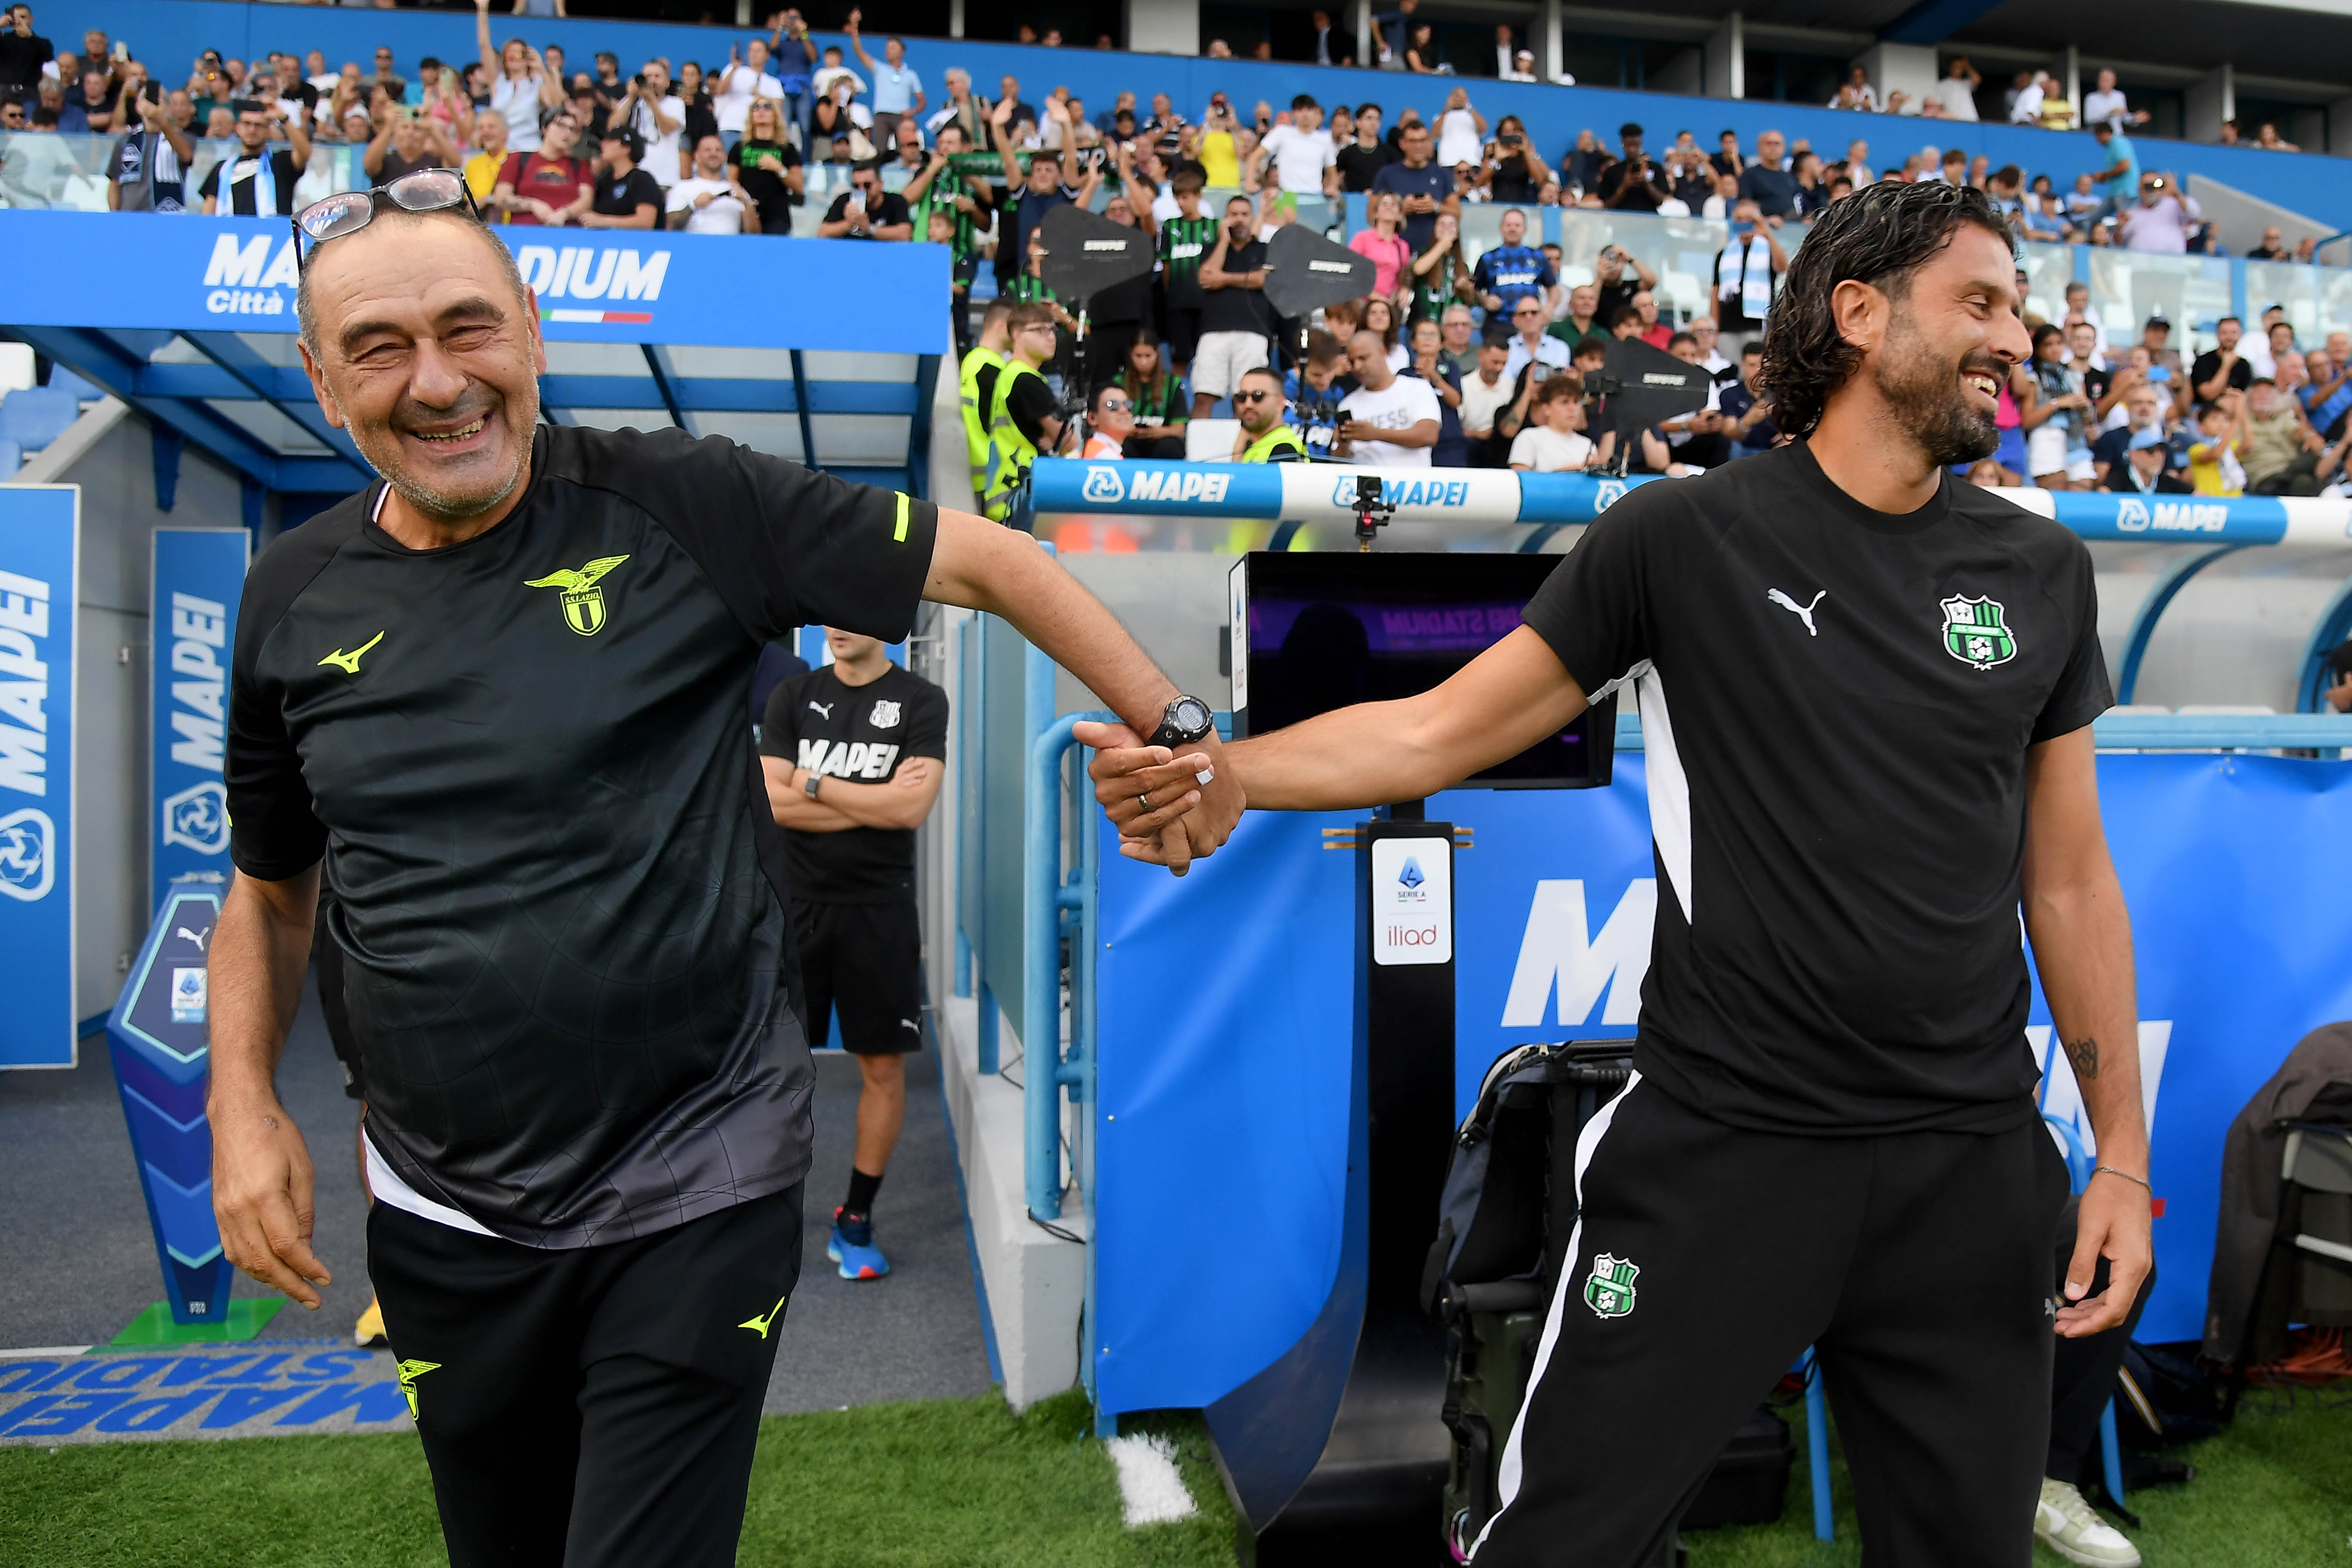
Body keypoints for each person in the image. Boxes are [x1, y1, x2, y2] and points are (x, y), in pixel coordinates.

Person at [1089, 177, 2150, 1568]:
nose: (2016, 336)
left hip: (1967, 1166)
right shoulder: (1680, 537)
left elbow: (2064, 879)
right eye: (1978, 302)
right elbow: (1433, 727)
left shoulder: (2036, 569)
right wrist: (1226, 767)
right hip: (1722, 1152)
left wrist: (2119, 1154)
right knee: (1561, 1547)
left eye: (2016, 308)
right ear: (1855, 312)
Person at [218, 173, 1236, 1568]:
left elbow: (997, 563)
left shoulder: (680, 501)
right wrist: (240, 1107)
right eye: (381, 347)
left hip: (693, 1171)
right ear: (324, 382)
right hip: (438, 1206)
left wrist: (1178, 732)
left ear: (530, 326)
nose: (440, 381)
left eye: (470, 326)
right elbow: (272, 891)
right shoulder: (291, 596)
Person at [756, 625, 946, 1281]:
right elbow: (767, 802)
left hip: (879, 911)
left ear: (886, 624)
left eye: (852, 612)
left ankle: (856, 1216)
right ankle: (761, 1215)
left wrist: (811, 785)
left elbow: (912, 807)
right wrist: (875, 801)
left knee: (882, 1071)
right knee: (772, 1071)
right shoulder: (792, 695)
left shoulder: (921, 701)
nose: (837, 626)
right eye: (827, 613)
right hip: (795, 907)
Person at [978, 303, 1068, 520]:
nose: (1050, 337)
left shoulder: (1010, 373)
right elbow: (1068, 441)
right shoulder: (1025, 380)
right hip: (1019, 494)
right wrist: (1050, 439)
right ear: (1016, 334)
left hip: (1005, 492)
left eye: (1052, 330)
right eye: (1039, 330)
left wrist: (1046, 438)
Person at [1192, 193, 1275, 419]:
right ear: (1225, 219)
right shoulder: (1212, 248)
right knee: (1203, 396)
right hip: (1213, 331)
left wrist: (1224, 279)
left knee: (1248, 399)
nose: (1239, 219)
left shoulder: (1266, 249)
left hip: (1253, 332)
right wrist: (1224, 241)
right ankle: (1196, 454)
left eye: (1245, 214)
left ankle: (1244, 452)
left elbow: (1263, 280)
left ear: (1253, 218)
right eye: (1234, 215)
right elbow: (1206, 278)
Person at [1334, 327, 1440, 465]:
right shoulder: (1347, 404)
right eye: (1352, 362)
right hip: (1368, 484)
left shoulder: (1418, 388)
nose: (1358, 367)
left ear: (1382, 352)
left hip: (1413, 483)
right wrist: (1343, 444)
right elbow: (1340, 462)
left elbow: (1428, 435)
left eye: (1363, 358)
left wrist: (1376, 434)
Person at [199, 98, 312, 217]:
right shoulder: (222, 168)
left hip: (272, 234)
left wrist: (284, 119)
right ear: (237, 128)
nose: (252, 130)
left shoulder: (281, 161)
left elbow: (305, 152)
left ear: (268, 131)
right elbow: (208, 214)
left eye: (259, 126)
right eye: (247, 124)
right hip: (230, 234)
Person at [474, 0, 559, 155]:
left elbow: (555, 103)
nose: (513, 57)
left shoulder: (537, 84)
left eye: (519, 54)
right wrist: (482, 10)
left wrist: (541, 69)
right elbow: (484, 46)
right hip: (500, 152)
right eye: (509, 53)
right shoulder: (498, 82)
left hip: (528, 151)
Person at [1710, 199, 1788, 359]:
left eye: (1749, 220)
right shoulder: (1724, 254)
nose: (1744, 224)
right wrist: (1714, 329)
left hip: (1757, 325)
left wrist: (1767, 234)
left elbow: (1782, 267)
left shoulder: (1767, 249)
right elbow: (1716, 292)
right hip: (1728, 328)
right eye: (1739, 219)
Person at [1370, 117, 1456, 254]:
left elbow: (1457, 213)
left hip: (1433, 254)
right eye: (1413, 141)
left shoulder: (1442, 174)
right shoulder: (1387, 174)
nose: (1418, 146)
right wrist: (1399, 209)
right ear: (1402, 144)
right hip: (1393, 253)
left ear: (1429, 143)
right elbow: (1371, 215)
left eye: (1423, 141)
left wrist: (1434, 206)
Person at [491, 110, 591, 227]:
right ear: (545, 129)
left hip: (567, 234)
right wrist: (533, 205)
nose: (567, 133)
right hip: (524, 233)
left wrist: (564, 214)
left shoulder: (580, 166)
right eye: (561, 126)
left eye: (572, 129)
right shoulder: (518, 159)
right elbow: (501, 197)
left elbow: (586, 200)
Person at [108, 86, 194, 213]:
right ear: (138, 106)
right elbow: (115, 183)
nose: (154, 104)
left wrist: (161, 121)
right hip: (130, 215)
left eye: (162, 100)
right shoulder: (125, 141)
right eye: (148, 99)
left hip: (167, 216)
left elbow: (187, 156)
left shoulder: (183, 137)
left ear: (170, 108)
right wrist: (115, 215)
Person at [844, 10, 921, 149]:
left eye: (893, 47)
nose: (888, 50)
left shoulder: (911, 75)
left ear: (902, 52)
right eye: (888, 48)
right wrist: (854, 28)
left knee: (903, 148)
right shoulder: (880, 69)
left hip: (901, 116)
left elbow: (922, 102)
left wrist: (912, 112)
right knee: (880, 150)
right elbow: (860, 53)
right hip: (881, 115)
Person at [728, 97, 803, 236]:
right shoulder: (739, 147)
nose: (761, 111)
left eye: (767, 107)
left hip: (777, 215)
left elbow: (799, 186)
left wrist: (779, 168)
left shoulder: (787, 148)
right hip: (746, 213)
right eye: (756, 107)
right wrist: (746, 199)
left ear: (775, 114)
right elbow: (732, 183)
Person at [1472, 207, 1558, 323]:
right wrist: (1484, 300)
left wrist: (1550, 307)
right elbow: (1473, 291)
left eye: (1517, 226)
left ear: (1525, 229)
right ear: (1501, 228)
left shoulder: (1538, 257)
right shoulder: (1488, 258)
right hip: (1497, 323)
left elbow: (1553, 288)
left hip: (1530, 321)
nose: (1513, 229)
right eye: (1508, 225)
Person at [1410, 316, 1469, 467]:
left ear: (1442, 343)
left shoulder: (1451, 367)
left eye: (1433, 335)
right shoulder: (1404, 374)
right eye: (1423, 335)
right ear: (1413, 343)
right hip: (1417, 443)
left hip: (1450, 443)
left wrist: (1434, 377)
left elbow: (1456, 400)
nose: (1428, 339)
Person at [1116, 333, 1187, 458]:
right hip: (1130, 441)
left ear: (1157, 353)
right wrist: (1128, 430)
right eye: (1138, 356)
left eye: (1148, 356)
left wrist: (1159, 432)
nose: (1143, 362)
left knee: (1170, 446)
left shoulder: (1173, 384)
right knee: (1121, 445)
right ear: (1130, 354)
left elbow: (1180, 429)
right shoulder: (1118, 383)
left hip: (1161, 441)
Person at [1506, 373, 1594, 471]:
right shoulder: (1529, 437)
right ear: (1547, 408)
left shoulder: (1588, 445)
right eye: (1565, 402)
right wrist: (1574, 469)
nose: (1572, 408)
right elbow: (1520, 480)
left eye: (1577, 402)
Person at [583, 126, 662, 229]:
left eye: (610, 141)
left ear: (626, 149)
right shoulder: (604, 181)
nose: (603, 144)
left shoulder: (642, 179)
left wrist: (603, 221)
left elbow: (645, 222)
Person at [1459, 331, 1516, 466]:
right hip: (1470, 448)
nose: (1499, 368)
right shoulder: (1463, 386)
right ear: (1481, 356)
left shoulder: (1511, 386)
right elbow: (1454, 430)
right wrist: (1478, 434)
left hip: (1503, 449)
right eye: (1495, 362)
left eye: (1504, 363)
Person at [1230, 365, 1309, 461]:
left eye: (1258, 396)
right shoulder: (1255, 444)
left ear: (1280, 402)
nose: (1248, 405)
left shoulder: (1285, 450)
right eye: (1242, 397)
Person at [816, 160, 908, 240]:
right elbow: (823, 232)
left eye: (867, 185)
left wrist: (870, 229)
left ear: (880, 184)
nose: (862, 191)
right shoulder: (844, 201)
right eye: (856, 186)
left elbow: (905, 234)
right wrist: (849, 224)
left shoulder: (896, 201)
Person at [2185, 393, 2249, 496]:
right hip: (2210, 504)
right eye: (2214, 419)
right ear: (2201, 426)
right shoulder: (2196, 450)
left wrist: (2242, 413)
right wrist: (2235, 421)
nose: (2221, 424)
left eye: (2225, 420)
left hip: (2235, 502)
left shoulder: (2231, 446)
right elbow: (2216, 454)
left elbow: (2248, 446)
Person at [1502, 296, 1571, 384]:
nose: (1529, 317)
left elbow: (1560, 381)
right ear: (1515, 321)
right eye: (1523, 314)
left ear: (1543, 318)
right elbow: (1506, 382)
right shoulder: (1506, 348)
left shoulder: (1561, 347)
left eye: (1534, 313)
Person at [2191, 317, 2254, 406]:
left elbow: (2248, 395)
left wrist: (2236, 394)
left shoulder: (2244, 365)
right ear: (2217, 335)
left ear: (2241, 335)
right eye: (2224, 333)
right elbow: (2209, 395)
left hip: (2236, 407)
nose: (2229, 337)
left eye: (2234, 333)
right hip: (2205, 409)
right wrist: (2226, 366)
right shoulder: (2203, 361)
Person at [461, 110, 507, 203]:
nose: (486, 132)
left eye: (491, 127)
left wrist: (488, 200)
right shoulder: (473, 164)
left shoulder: (516, 162)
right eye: (481, 128)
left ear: (506, 132)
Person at [1081, 383, 1134, 460]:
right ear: (1092, 418)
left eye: (1128, 405)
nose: (1124, 410)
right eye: (1112, 405)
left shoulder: (1099, 450)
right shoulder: (1104, 456)